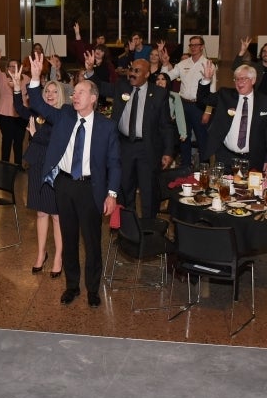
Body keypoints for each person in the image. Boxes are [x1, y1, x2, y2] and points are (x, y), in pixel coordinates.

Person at [27, 52, 120, 308]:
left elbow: (114, 163)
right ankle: (71, 286)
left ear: (93, 98)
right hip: (65, 185)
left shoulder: (106, 126)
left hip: (91, 187)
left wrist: (112, 194)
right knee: (68, 239)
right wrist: (35, 79)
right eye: (74, 92)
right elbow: (38, 104)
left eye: (80, 92)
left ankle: (92, 289)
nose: (74, 96)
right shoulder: (65, 115)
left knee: (91, 241)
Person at [92, 57, 174, 221]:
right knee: (124, 189)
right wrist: (90, 71)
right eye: (131, 70)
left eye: (137, 71)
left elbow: (166, 125)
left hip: (147, 148)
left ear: (147, 73)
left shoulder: (158, 93)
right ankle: (127, 231)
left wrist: (168, 151)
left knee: (148, 191)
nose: (132, 74)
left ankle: (148, 231)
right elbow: (99, 87)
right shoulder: (122, 86)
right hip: (124, 146)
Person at [14, 77, 66, 277]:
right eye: (47, 92)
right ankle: (41, 252)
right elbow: (20, 109)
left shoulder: (62, 115)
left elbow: (55, 141)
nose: (50, 95)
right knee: (41, 213)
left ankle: (58, 257)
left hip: (54, 169)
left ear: (60, 95)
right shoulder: (39, 114)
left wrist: (36, 136)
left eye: (54, 92)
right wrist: (18, 88)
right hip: (37, 166)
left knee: (56, 215)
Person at [198, 62, 267, 172]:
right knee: (223, 188)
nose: (239, 82)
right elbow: (203, 100)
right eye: (237, 79)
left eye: (244, 79)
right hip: (226, 157)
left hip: (253, 159)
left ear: (253, 80)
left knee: (249, 189)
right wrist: (206, 79)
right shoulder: (225, 95)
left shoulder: (266, 102)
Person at [161, 35, 215, 167]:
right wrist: (164, 64)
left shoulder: (208, 64)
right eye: (191, 45)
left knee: (203, 139)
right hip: (183, 105)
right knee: (183, 138)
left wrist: (208, 111)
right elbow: (168, 77)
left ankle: (204, 170)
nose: (194, 47)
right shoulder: (182, 64)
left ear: (202, 47)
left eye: (197, 45)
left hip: (199, 106)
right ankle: (185, 168)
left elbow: (212, 91)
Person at [0, 49, 28, 167]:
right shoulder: (2, 77)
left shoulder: (26, 78)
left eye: (16, 66)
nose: (13, 68)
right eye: (11, 66)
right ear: (7, 68)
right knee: (7, 140)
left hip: (21, 114)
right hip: (4, 114)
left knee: (19, 141)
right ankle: (5, 165)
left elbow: (32, 92)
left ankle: (18, 165)